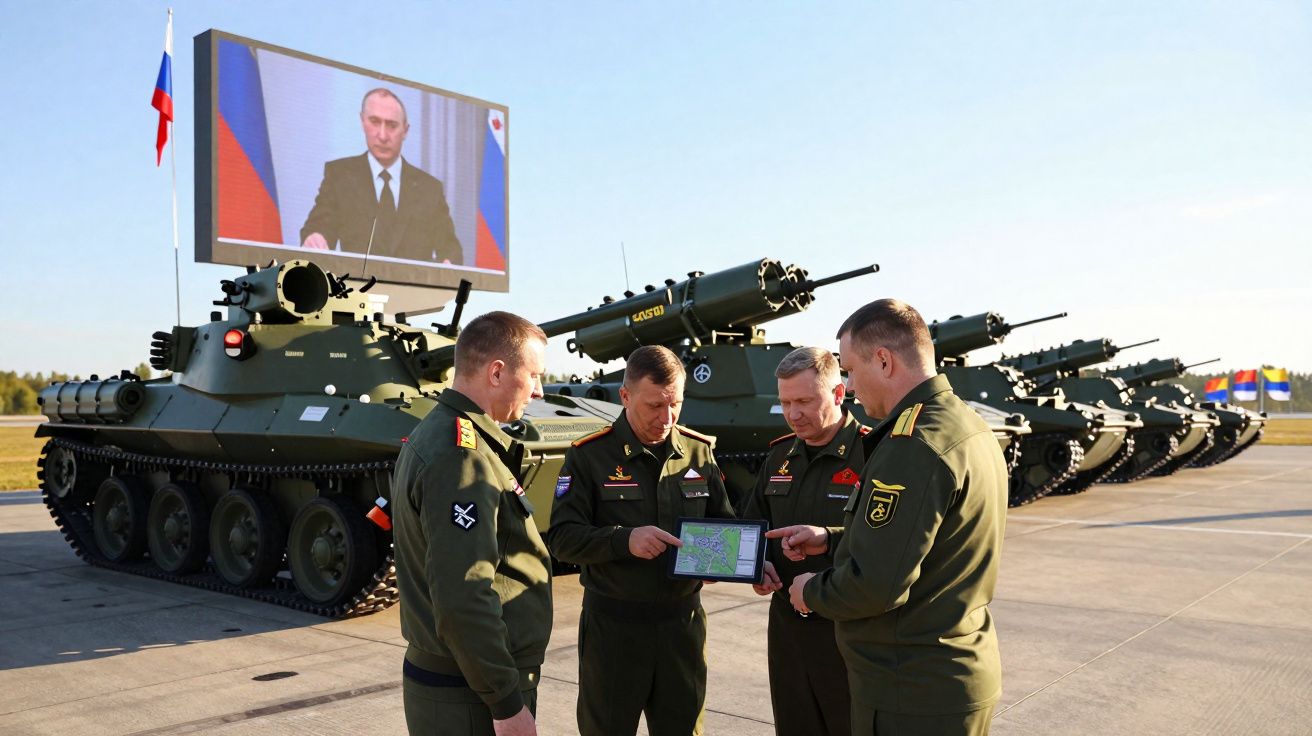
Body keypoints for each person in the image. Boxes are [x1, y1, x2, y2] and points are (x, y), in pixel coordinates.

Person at [768, 298, 1008, 736]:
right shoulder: (965, 426)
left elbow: (876, 584)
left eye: (851, 371)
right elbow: (920, 541)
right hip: (948, 671)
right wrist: (832, 539)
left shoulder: (911, 445)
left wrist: (811, 591)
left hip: (909, 688)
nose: (852, 387)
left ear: (883, 361)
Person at [545, 345, 735, 736]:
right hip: (615, 630)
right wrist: (623, 541)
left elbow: (723, 523)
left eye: (676, 404)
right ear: (626, 396)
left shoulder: (698, 452)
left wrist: (721, 561)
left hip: (682, 626)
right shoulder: (589, 456)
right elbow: (562, 539)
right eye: (654, 406)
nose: (666, 418)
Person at [391, 311, 550, 736]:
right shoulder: (461, 455)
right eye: (533, 376)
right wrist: (505, 703)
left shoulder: (443, 433)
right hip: (469, 695)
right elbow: (463, 596)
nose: (538, 391)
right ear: (497, 372)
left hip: (462, 683)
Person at [739, 346, 871, 736]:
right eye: (785, 402)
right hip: (788, 631)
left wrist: (828, 539)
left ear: (838, 394)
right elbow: (753, 525)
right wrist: (755, 566)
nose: (793, 413)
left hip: (849, 628)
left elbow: (891, 541)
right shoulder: (779, 457)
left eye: (804, 401)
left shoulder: (874, 453)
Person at [301, 87, 463, 265]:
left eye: (392, 125)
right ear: (362, 122)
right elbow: (319, 227)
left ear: (406, 130)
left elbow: (451, 248)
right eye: (374, 122)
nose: (383, 135)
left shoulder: (429, 188)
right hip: (358, 290)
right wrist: (316, 237)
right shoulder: (340, 176)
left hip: (412, 291)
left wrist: (448, 263)